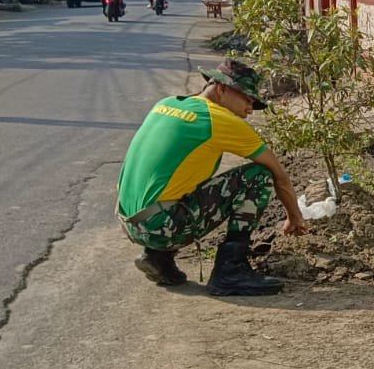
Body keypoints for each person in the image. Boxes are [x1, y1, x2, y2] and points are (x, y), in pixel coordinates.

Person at [117, 58, 306, 296]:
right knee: (258, 175)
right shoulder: (219, 119)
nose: (250, 109)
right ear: (222, 88)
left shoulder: (166, 104)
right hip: (160, 228)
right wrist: (294, 217)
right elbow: (280, 175)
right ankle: (231, 271)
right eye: (247, 99)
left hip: (129, 223)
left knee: (180, 180)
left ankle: (157, 257)